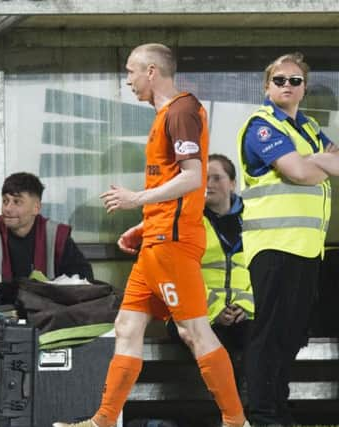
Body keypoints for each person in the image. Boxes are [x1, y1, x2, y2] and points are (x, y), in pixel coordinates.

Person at [54, 43, 248, 427]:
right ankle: (104, 421)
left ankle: (236, 422)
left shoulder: (180, 110)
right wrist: (146, 223)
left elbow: (193, 177)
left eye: (130, 72)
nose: (127, 81)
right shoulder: (169, 114)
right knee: (127, 327)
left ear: (152, 72)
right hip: (157, 241)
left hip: (172, 246)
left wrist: (134, 199)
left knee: (194, 331)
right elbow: (178, 186)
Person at [237, 52, 339, 426]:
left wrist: (313, 159)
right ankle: (263, 414)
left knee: (292, 334)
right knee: (270, 334)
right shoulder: (261, 125)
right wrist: (318, 164)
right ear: (267, 87)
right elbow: (298, 173)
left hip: (307, 249)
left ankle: (279, 408)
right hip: (274, 247)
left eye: (294, 81)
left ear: (304, 88)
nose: (287, 85)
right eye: (279, 80)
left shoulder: (309, 128)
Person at [167, 154, 254, 392]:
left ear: (233, 183)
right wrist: (215, 309)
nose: (209, 184)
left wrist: (246, 305)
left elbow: (264, 270)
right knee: (215, 349)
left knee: (261, 341)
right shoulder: (185, 220)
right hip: (196, 313)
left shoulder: (254, 219)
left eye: (217, 178)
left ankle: (251, 414)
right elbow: (179, 273)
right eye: (204, 178)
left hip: (244, 313)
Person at [0, 171, 93, 284]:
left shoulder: (55, 236)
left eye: (17, 202)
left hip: (47, 301)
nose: (7, 208)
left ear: (36, 208)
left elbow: (82, 277)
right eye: (5, 201)